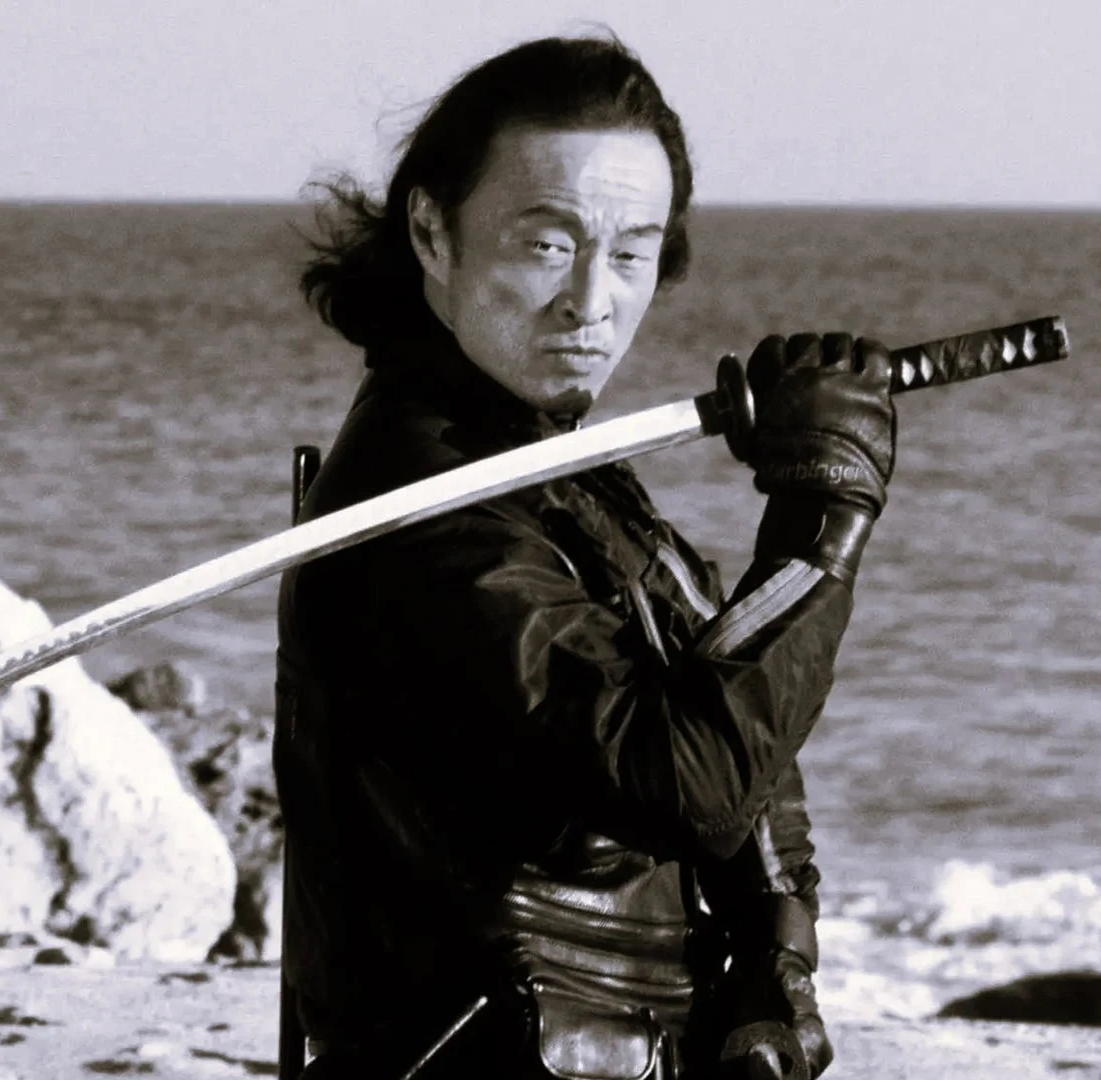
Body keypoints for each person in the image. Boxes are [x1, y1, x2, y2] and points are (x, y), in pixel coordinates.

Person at [275, 32, 897, 1080]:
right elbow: (685, 781)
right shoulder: (422, 510)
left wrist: (775, 962)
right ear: (431, 233)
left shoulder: (544, 465)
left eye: (631, 252)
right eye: (547, 245)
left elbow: (740, 734)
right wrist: (825, 518)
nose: (591, 300)